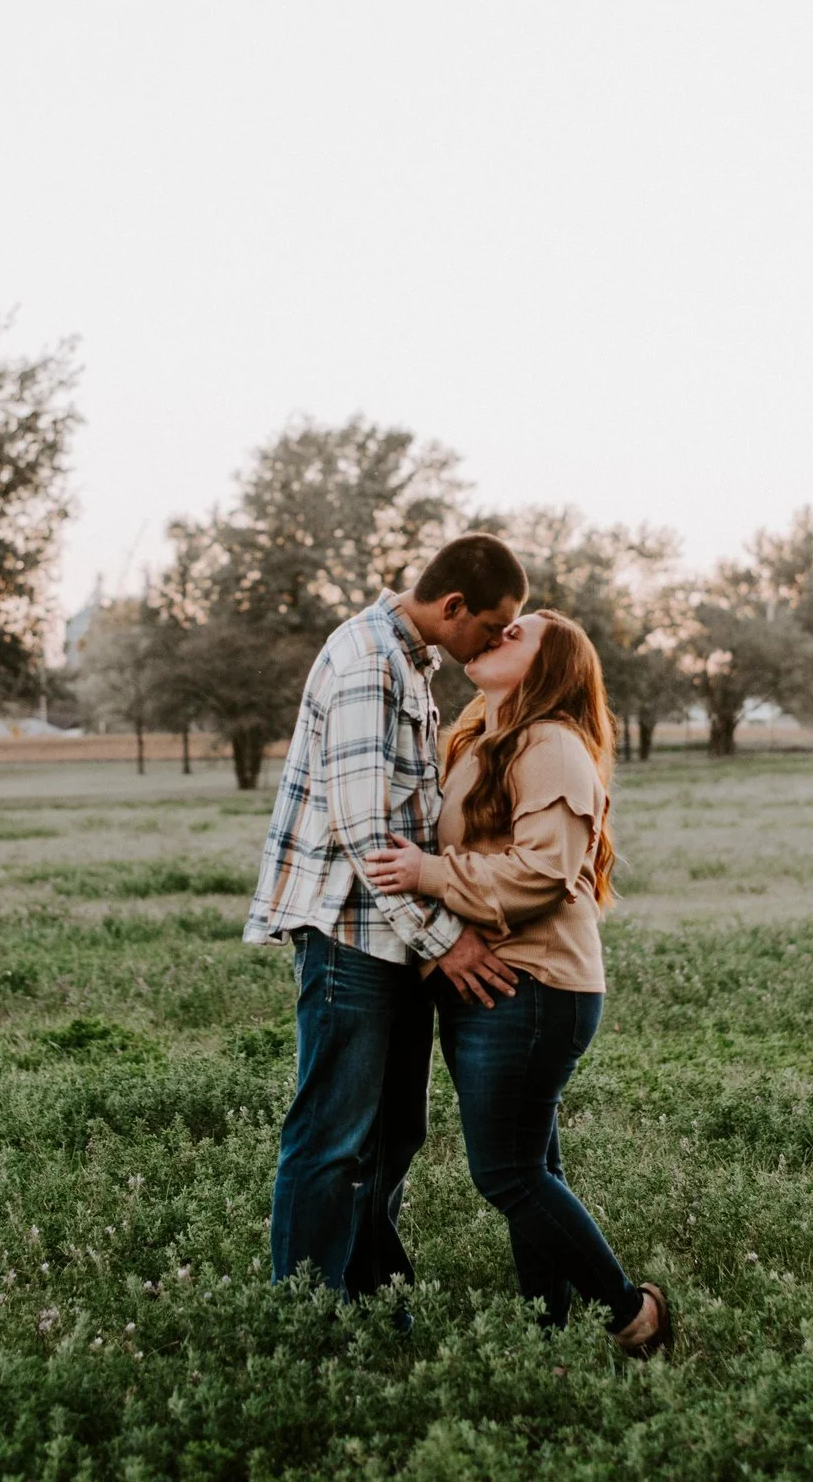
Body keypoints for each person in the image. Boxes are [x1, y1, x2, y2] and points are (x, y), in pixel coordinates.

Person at [364, 610, 673, 1357]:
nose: (499, 633)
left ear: (551, 666)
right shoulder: (481, 734)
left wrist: (427, 872)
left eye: (519, 633)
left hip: (536, 988)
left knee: (504, 1171)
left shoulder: (554, 745)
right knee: (532, 1165)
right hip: (491, 986)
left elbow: (539, 872)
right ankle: (549, 1336)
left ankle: (635, 1315)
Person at [246, 533, 529, 1302]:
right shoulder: (369, 659)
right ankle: (309, 1313)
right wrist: (449, 942)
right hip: (349, 936)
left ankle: (371, 1298)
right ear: (452, 606)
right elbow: (364, 830)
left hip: (392, 936)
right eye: (494, 624)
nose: (498, 640)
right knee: (333, 1137)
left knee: (394, 1132)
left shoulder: (410, 659)